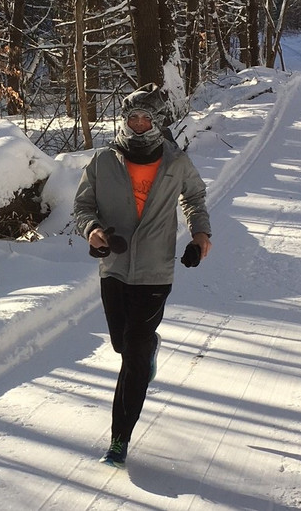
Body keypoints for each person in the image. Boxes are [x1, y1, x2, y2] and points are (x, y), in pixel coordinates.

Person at [73, 83, 212, 467]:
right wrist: (93, 231)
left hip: (155, 271)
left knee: (131, 356)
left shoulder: (175, 162)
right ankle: (148, 348)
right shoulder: (103, 160)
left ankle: (119, 440)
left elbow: (195, 198)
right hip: (113, 269)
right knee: (123, 344)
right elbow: (82, 206)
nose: (137, 125)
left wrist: (200, 234)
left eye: (145, 118)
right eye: (131, 118)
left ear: (158, 121)